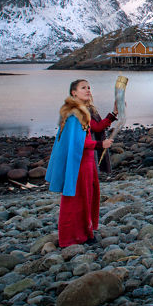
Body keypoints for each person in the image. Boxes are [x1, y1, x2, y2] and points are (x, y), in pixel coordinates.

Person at [45, 79, 115, 247]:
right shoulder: (72, 114)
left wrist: (113, 114)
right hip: (78, 163)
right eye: (83, 88)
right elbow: (77, 142)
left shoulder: (85, 111)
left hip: (88, 161)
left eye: (89, 87)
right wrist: (99, 145)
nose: (88, 90)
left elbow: (96, 128)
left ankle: (86, 233)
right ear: (74, 93)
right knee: (75, 198)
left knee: (88, 195)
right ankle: (69, 238)